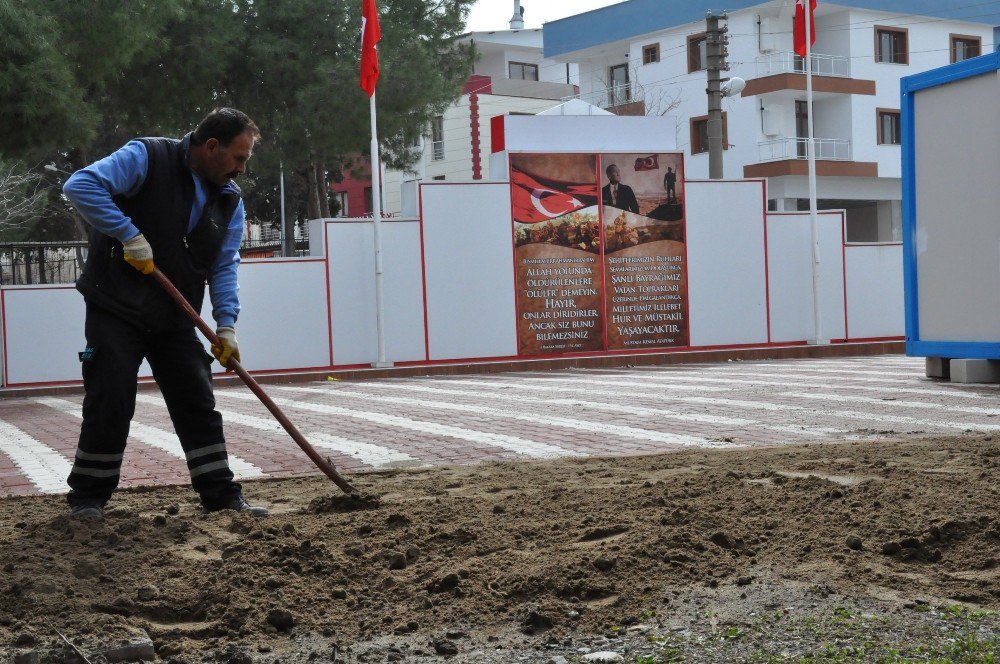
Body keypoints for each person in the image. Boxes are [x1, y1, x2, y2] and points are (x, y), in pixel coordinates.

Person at [62, 107, 267, 520]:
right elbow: (80, 185)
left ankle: (221, 496)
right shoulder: (147, 157)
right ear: (211, 146)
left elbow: (224, 266)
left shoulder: (229, 201)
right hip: (116, 306)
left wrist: (226, 325)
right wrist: (127, 233)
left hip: (174, 313)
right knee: (111, 395)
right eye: (239, 158)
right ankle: (87, 498)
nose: (242, 169)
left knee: (196, 396)